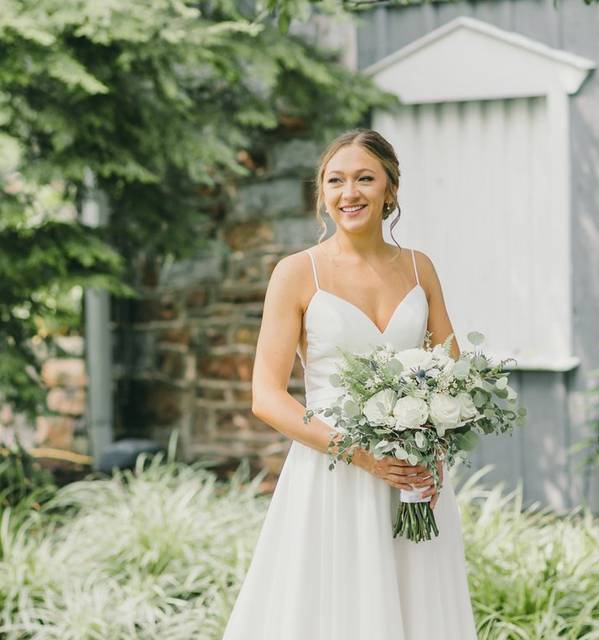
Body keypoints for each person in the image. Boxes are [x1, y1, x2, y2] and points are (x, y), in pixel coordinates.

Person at [221, 129, 478, 639]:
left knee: (417, 607)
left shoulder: (418, 267)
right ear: (322, 193)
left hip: (411, 473)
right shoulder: (297, 273)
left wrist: (435, 445)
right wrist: (359, 454)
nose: (349, 192)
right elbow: (267, 397)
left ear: (390, 190)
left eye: (365, 178)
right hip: (332, 471)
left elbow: (452, 368)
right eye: (335, 181)